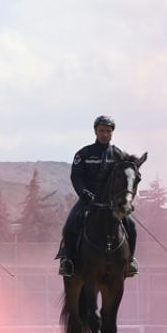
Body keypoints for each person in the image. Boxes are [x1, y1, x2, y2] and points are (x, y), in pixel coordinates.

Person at [57, 115, 138, 277]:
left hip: (112, 204)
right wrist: (84, 193)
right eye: (102, 130)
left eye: (108, 131)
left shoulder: (118, 154)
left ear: (112, 133)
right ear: (95, 131)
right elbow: (76, 177)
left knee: (132, 226)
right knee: (70, 225)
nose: (105, 134)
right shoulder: (83, 153)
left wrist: (122, 199)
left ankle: (130, 261)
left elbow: (125, 178)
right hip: (88, 201)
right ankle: (67, 260)